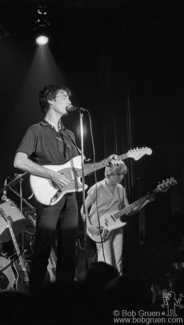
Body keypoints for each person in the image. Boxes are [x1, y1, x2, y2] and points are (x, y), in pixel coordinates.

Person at [14, 84, 121, 295]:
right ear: (51, 101)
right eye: (64, 96)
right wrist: (52, 174)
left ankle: (64, 299)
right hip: (49, 196)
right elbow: (19, 161)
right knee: (43, 248)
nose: (69, 101)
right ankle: (34, 299)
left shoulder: (70, 135)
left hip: (70, 198)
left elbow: (79, 169)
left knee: (68, 250)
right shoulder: (36, 130)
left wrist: (106, 162)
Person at [82, 163, 152, 273]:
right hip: (100, 228)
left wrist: (145, 201)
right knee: (106, 262)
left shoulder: (121, 189)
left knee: (118, 262)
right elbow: (83, 208)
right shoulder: (97, 187)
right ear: (110, 173)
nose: (122, 177)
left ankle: (116, 288)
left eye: (123, 174)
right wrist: (89, 225)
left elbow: (128, 211)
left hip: (117, 227)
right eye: (120, 174)